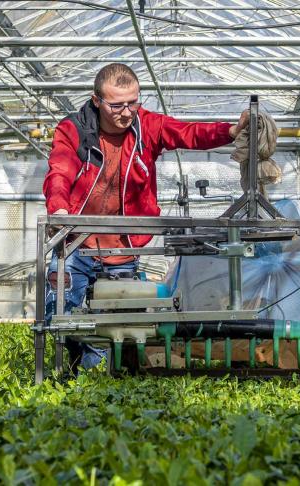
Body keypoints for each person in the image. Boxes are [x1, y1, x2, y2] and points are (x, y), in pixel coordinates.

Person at [42, 63, 248, 368]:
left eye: (133, 102)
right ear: (96, 100)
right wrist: (59, 210)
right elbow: (60, 171)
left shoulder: (146, 127)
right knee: (60, 314)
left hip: (123, 250)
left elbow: (187, 133)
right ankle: (76, 367)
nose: (127, 112)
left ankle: (92, 376)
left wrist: (230, 131)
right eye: (117, 105)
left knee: (112, 328)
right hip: (76, 244)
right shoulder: (73, 131)